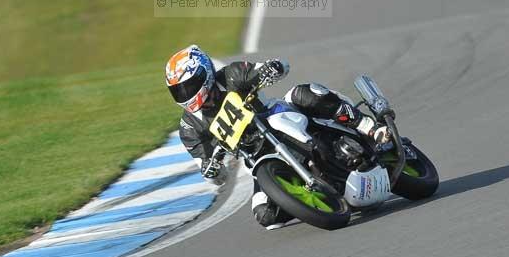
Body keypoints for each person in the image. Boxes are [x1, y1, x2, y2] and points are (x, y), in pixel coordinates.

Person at [165, 45, 387, 230]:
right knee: (265, 216)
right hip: (253, 154)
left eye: (189, 86)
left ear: (206, 74)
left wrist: (272, 69)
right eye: (179, 91)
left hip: (275, 117)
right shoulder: (189, 127)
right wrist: (212, 171)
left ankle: (366, 125)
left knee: (304, 93)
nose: (186, 95)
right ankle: (316, 202)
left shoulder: (231, 75)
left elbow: (275, 67)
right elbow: (213, 174)